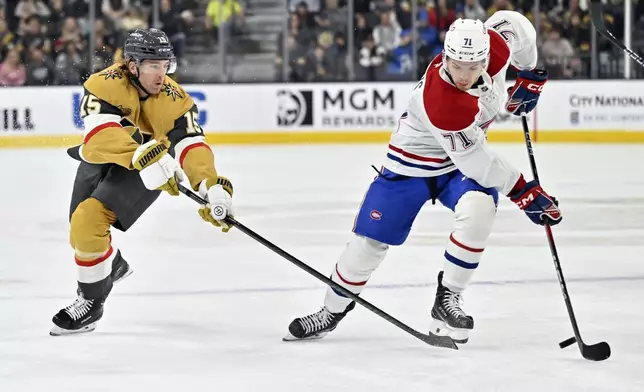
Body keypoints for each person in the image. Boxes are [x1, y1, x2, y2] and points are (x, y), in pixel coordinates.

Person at [284, 11, 562, 345]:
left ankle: (448, 300)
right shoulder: (443, 101)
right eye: (456, 65)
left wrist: (530, 72)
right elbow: (475, 160)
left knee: (479, 208)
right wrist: (524, 192)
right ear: (446, 57)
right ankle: (331, 310)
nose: (464, 74)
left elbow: (514, 23)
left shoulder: (496, 46)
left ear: (486, 56)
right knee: (367, 246)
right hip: (409, 168)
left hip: (454, 170)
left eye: (473, 67)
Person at [50, 29, 234, 336]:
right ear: (132, 65)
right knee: (80, 230)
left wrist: (210, 186)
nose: (161, 74)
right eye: (152, 65)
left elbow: (191, 144)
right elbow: (99, 135)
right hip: (114, 155)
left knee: (87, 221)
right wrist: (141, 155)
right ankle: (113, 265)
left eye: (165, 65)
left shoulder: (177, 101)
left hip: (147, 169)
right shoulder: (103, 85)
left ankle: (91, 303)